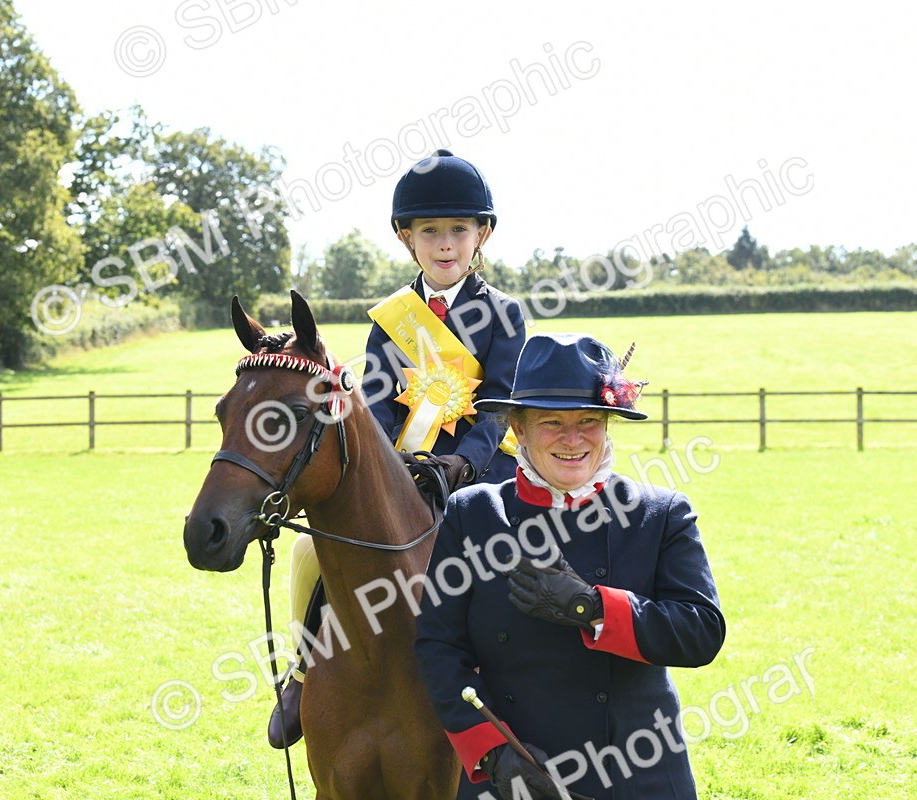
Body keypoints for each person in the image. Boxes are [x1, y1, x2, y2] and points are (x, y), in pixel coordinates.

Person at [267, 149, 527, 748]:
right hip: (402, 472)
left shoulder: (504, 315)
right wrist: (390, 463)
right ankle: (303, 675)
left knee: (514, 554)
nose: (444, 244)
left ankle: (513, 692)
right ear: (407, 238)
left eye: (458, 230)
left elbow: (499, 404)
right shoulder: (390, 320)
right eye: (429, 231)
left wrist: (464, 463)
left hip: (482, 470)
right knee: (314, 548)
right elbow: (377, 404)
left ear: (481, 235)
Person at [413, 333, 726, 800]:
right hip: (515, 771)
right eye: (551, 422)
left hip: (636, 771)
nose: (573, 438)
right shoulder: (472, 513)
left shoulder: (661, 514)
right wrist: (494, 753)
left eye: (588, 421)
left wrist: (592, 607)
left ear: (608, 424)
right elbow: (438, 647)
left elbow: (701, 633)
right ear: (517, 426)